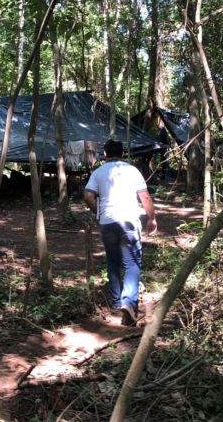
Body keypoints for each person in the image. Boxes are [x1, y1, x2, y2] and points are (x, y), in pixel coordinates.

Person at [84, 139, 157, 325]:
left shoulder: (98, 172)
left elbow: (88, 195)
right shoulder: (132, 171)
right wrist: (152, 218)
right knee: (132, 264)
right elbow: (145, 196)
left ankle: (117, 302)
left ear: (105, 154)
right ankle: (129, 303)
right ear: (123, 153)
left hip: (107, 222)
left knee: (113, 261)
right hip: (129, 221)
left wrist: (99, 212)